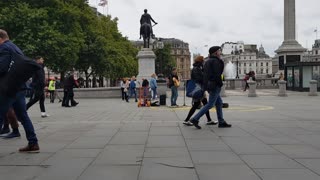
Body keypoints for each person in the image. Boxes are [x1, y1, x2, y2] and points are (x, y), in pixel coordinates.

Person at [0, 29, 39, 152]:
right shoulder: (16, 48)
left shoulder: (4, 48)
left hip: (8, 89)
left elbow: (2, 68)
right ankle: (33, 143)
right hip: (19, 87)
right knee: (23, 116)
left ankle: (33, 143)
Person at [190, 46, 232, 129]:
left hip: (210, 85)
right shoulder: (215, 61)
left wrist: (205, 86)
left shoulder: (208, 61)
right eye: (219, 51)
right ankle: (195, 118)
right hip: (214, 85)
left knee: (219, 103)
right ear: (215, 52)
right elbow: (217, 74)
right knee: (210, 104)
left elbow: (205, 75)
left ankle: (221, 121)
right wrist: (220, 83)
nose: (220, 52)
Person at [184, 56, 217, 126]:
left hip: (200, 89)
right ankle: (187, 120)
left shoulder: (198, 68)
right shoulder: (196, 68)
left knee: (204, 104)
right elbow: (199, 78)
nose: (204, 62)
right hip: (198, 89)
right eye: (203, 61)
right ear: (200, 61)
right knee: (198, 105)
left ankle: (209, 119)